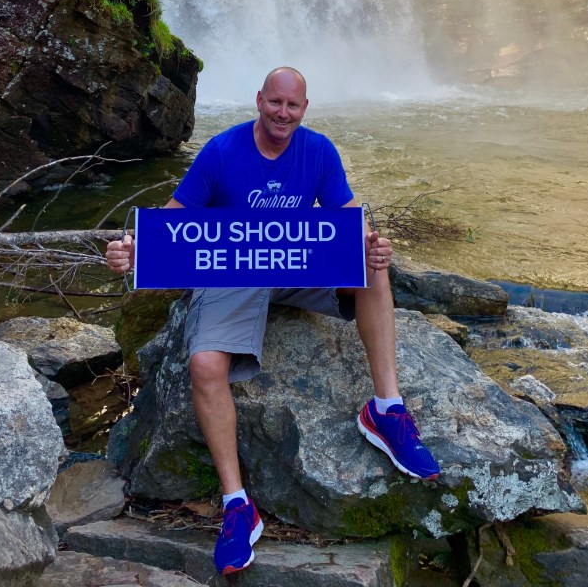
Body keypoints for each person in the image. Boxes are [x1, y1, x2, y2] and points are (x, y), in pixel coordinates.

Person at [106, 66, 439, 575]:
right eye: (276, 102)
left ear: (304, 109)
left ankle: (386, 409)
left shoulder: (318, 151)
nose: (283, 113)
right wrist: (134, 250)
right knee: (204, 365)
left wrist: (372, 243)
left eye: (293, 105)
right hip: (234, 270)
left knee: (370, 268)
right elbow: (173, 218)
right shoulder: (221, 151)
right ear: (259, 100)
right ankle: (238, 506)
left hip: (292, 262)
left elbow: (348, 215)